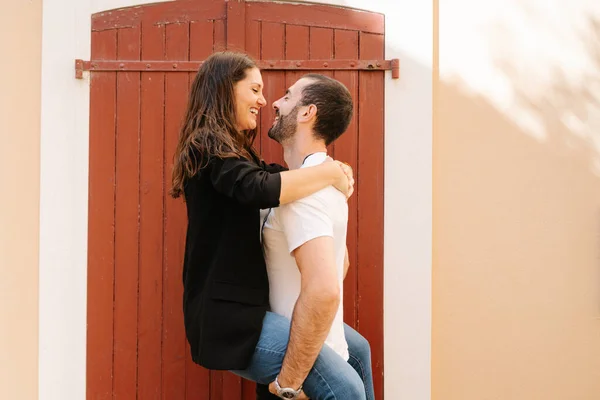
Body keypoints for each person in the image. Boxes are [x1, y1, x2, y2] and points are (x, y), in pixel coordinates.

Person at [170, 52, 355, 397]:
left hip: (252, 307)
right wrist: (329, 171)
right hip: (229, 317)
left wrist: (326, 173)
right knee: (344, 386)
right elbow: (259, 188)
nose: (263, 100)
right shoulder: (207, 148)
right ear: (226, 90)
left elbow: (271, 177)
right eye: (254, 89)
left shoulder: (238, 154)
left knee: (358, 353)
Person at [234, 75, 375, 400]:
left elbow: (325, 289)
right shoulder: (322, 180)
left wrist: (290, 383)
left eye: (287, 96)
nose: (275, 103)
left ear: (306, 113)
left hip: (306, 369)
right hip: (316, 352)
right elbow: (340, 265)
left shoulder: (304, 194)